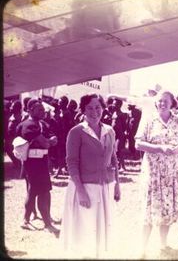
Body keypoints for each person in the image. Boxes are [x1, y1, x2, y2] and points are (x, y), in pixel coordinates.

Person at [60, 93, 121, 258]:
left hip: (105, 186)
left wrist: (117, 186)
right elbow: (71, 162)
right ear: (83, 110)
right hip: (85, 187)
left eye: (98, 107)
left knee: (101, 230)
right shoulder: (76, 132)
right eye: (90, 108)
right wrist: (80, 191)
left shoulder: (109, 130)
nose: (94, 111)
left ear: (103, 109)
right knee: (85, 231)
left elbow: (113, 158)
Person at [135, 90, 178, 257]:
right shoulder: (148, 120)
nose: (162, 103)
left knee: (167, 208)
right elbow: (138, 144)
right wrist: (159, 148)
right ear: (155, 103)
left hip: (172, 173)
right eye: (159, 100)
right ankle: (142, 249)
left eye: (166, 100)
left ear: (172, 103)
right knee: (149, 210)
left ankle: (163, 245)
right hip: (153, 172)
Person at [16, 99, 59, 235]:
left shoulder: (43, 124)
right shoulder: (28, 125)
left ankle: (27, 219)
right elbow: (47, 143)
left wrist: (48, 141)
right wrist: (48, 141)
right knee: (41, 191)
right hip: (32, 163)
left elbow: (53, 139)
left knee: (36, 191)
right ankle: (46, 223)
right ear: (30, 110)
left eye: (43, 109)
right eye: (39, 109)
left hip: (42, 161)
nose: (43, 111)